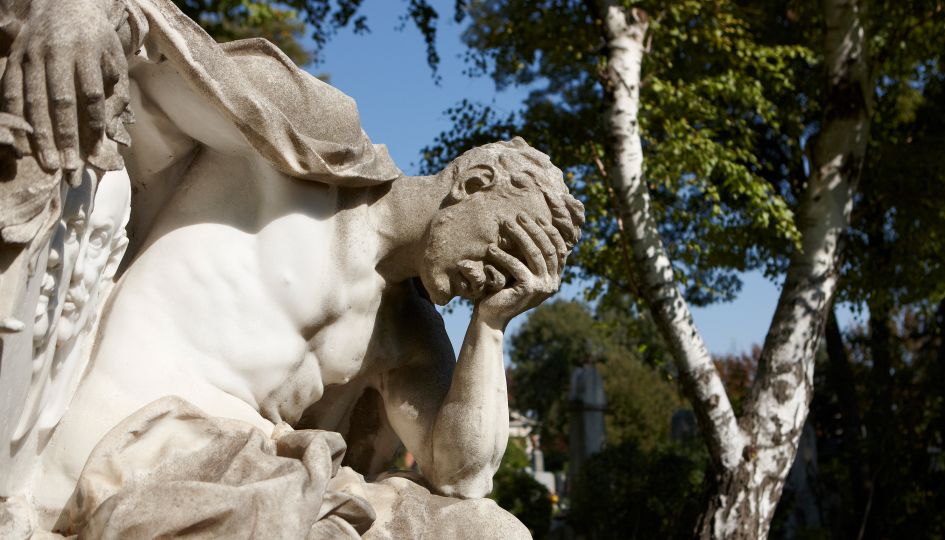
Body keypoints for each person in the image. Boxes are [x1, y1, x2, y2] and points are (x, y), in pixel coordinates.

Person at [2, 0, 585, 532]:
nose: (493, 278)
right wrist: (76, 7)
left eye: (512, 277)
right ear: (474, 184)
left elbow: (464, 480)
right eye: (504, 249)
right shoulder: (317, 143)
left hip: (254, 475)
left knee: (490, 530)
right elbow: (159, 47)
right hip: (128, 447)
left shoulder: (406, 331)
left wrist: (490, 326)